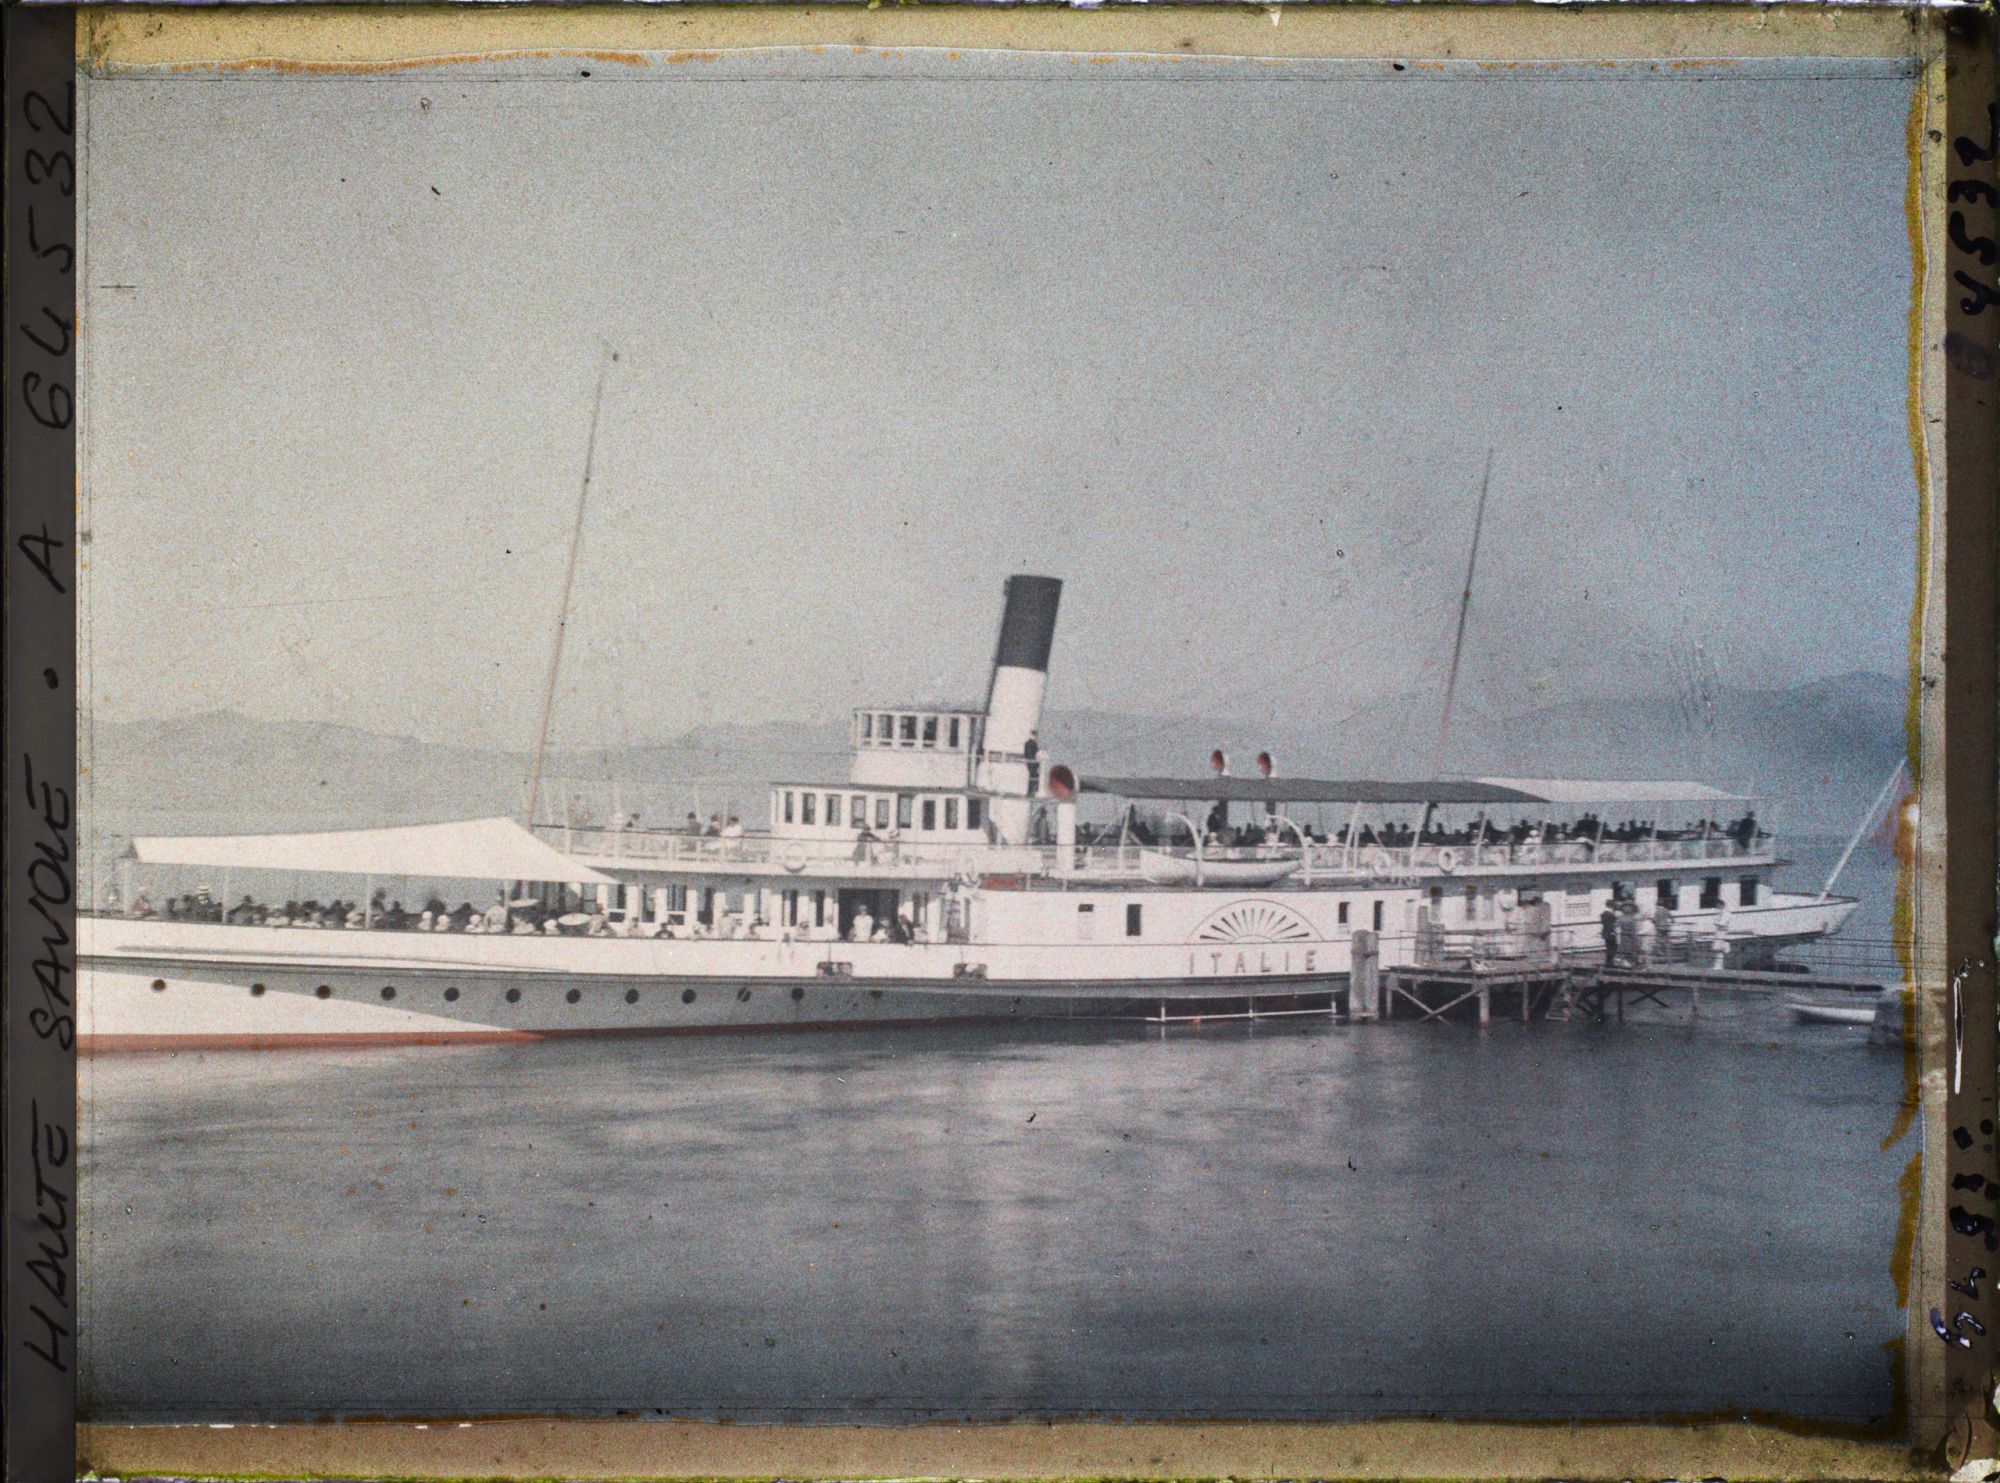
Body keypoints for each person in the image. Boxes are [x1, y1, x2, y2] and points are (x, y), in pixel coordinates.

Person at [1599, 900, 1620, 968]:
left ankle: (1609, 962)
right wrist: (1612, 932)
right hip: (1610, 933)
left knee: (1609, 947)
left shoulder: (1604, 914)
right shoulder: (1609, 914)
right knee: (1613, 947)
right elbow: (1609, 925)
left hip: (1606, 932)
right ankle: (1610, 962)